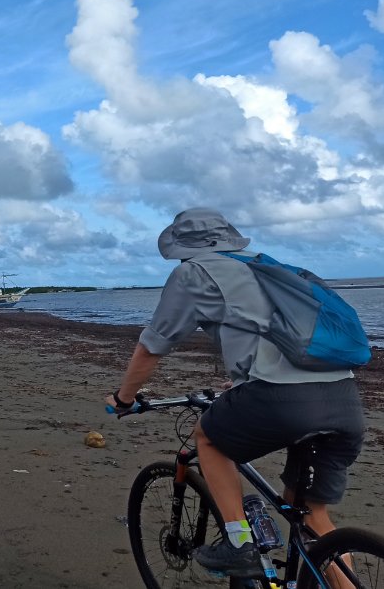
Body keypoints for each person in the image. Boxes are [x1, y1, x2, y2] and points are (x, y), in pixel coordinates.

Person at [105, 208, 365, 580]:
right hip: (343, 398)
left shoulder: (193, 272)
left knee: (208, 439)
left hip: (280, 400)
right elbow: (282, 337)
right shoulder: (271, 269)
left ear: (181, 245)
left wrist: (124, 399)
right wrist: (243, 380)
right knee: (311, 516)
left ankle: (239, 541)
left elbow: (153, 345)